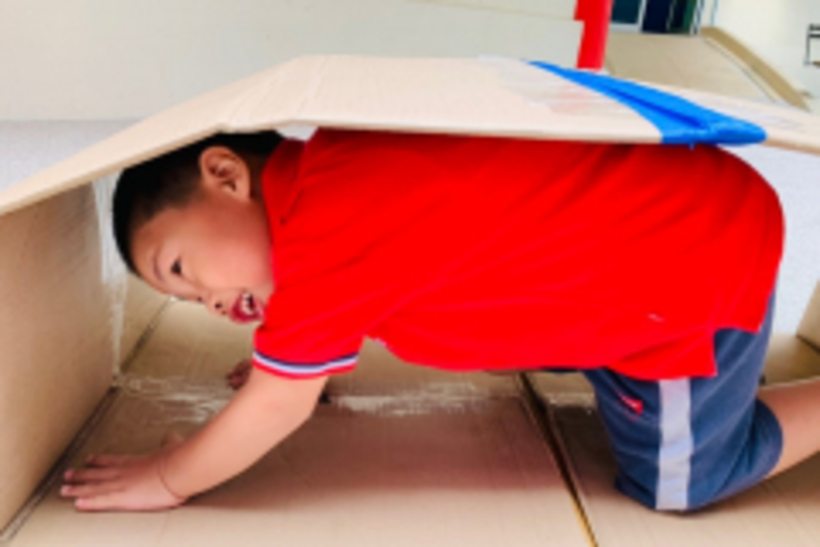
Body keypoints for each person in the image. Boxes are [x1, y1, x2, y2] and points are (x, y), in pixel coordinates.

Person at [59, 128, 818, 513]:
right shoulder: (331, 180)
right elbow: (345, 308)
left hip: (694, 261)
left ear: (225, 174)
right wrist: (299, 361)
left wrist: (169, 476)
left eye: (180, 269)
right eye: (190, 304)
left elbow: (277, 405)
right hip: (634, 240)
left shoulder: (325, 233)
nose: (210, 304)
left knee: (683, 483)